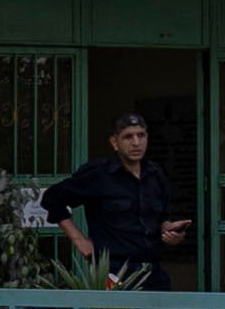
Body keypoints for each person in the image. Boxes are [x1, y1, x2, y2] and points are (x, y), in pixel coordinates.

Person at [44, 110, 190, 286]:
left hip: (152, 273)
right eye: (128, 137)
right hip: (114, 274)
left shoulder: (155, 175)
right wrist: (78, 240)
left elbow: (162, 218)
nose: (136, 143)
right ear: (114, 142)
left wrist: (171, 232)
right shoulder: (99, 175)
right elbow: (52, 198)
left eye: (141, 135)